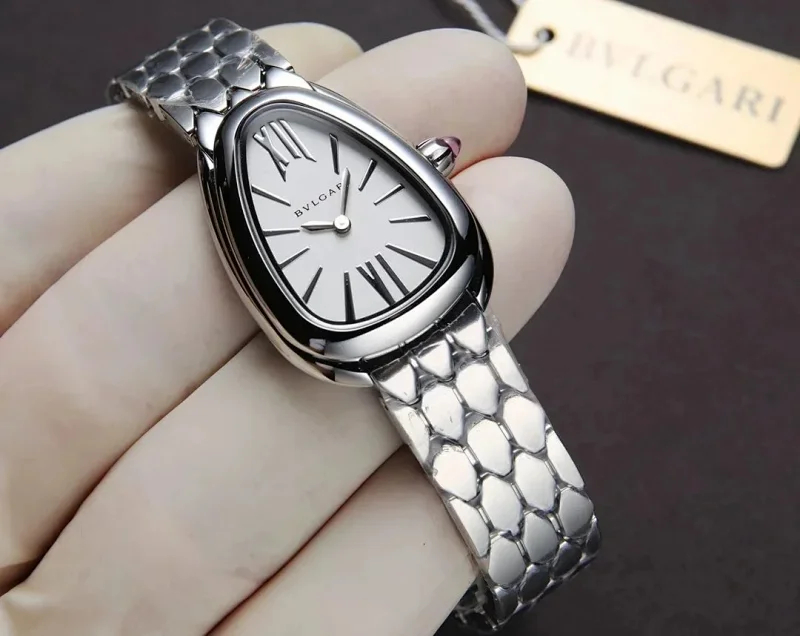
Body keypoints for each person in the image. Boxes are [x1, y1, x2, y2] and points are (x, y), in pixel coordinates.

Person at [0, 23, 575, 635]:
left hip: (418, 293)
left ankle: (534, 540)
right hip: (358, 317)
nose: (337, 221)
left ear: (430, 160)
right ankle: (536, 537)